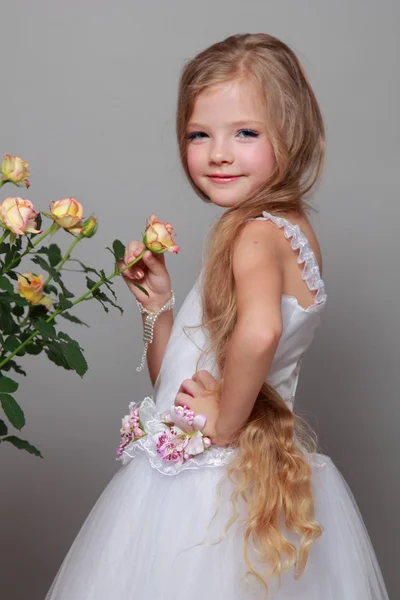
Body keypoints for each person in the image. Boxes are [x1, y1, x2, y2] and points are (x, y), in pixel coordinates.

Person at [45, 33, 389, 599]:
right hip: (247, 476)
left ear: (291, 134)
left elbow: (260, 334)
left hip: (214, 492)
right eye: (198, 135)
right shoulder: (282, 231)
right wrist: (159, 305)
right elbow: (178, 387)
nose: (218, 153)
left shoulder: (254, 236)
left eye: (246, 133)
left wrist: (224, 426)